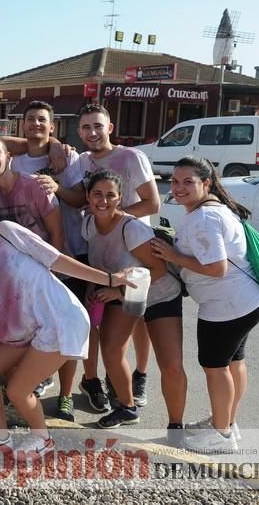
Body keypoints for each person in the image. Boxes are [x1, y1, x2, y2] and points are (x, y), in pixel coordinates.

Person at [0, 195, 133, 456]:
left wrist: (109, 279)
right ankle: (0, 438)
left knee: (18, 389)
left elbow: (55, 259)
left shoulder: (5, 232)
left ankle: (42, 440)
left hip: (59, 320)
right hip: (26, 332)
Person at [152, 157, 259, 453]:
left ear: (206, 183)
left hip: (226, 306)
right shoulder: (215, 207)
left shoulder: (203, 218)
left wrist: (172, 255)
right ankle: (227, 424)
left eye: (188, 182)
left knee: (216, 368)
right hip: (248, 299)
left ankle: (221, 436)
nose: (178, 188)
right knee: (234, 363)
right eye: (175, 181)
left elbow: (217, 267)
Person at [0, 101, 90, 420]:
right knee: (31, 326)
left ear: (52, 127)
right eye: (30, 120)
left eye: (43, 120)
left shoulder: (68, 157)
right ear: (22, 126)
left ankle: (66, 395)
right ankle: (32, 381)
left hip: (66, 252)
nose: (36, 124)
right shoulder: (13, 161)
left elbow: (81, 198)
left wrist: (58, 187)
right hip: (25, 261)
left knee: (67, 327)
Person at [82, 170, 186, 442]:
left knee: (171, 364)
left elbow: (158, 270)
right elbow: (97, 264)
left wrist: (116, 291)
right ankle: (128, 407)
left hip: (158, 294)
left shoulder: (131, 228)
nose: (103, 201)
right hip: (124, 292)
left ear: (119, 200)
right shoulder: (88, 224)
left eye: (110, 196)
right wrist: (94, 291)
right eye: (97, 194)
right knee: (111, 349)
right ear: (87, 197)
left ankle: (176, 427)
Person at [77, 104, 161, 409]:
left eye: (98, 126)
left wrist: (115, 217)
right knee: (102, 327)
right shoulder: (83, 160)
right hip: (105, 261)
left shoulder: (131, 156)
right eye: (86, 127)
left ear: (109, 127)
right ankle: (108, 378)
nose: (92, 132)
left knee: (136, 324)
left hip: (135, 252)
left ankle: (139, 374)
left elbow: (153, 204)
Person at [0, 133, 64, 249]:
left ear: (8, 157)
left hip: (50, 262)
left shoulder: (37, 186)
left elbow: (57, 233)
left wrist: (50, 267)